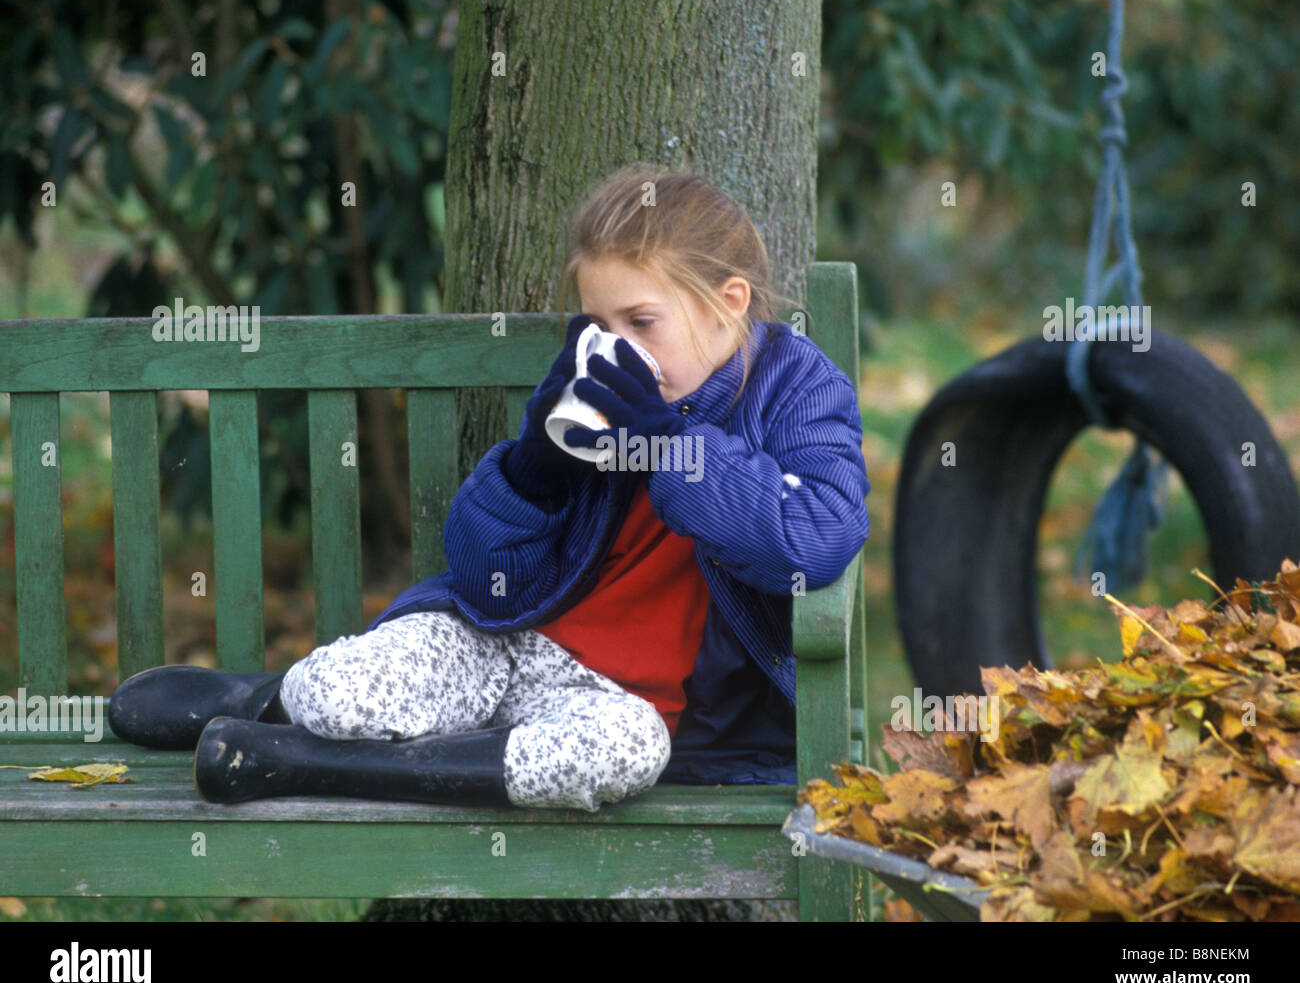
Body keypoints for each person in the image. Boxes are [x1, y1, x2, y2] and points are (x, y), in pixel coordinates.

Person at [107, 163, 871, 812]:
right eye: (597, 323)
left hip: (616, 704)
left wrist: (671, 447)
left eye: (642, 321)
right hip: (507, 638)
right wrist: (534, 465)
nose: (615, 347)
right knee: (339, 695)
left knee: (625, 755)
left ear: (729, 304)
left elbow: (817, 539)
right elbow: (479, 569)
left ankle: (294, 764)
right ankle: (261, 702)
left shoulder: (798, 389)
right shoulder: (585, 389)